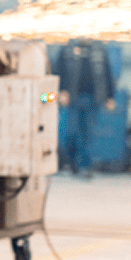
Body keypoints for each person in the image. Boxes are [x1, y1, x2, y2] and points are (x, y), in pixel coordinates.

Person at [55, 38, 116, 178]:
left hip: (93, 99)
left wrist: (110, 97)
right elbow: (59, 70)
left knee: (87, 134)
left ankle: (85, 166)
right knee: (72, 132)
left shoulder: (99, 50)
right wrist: (61, 90)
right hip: (73, 99)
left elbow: (107, 74)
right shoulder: (67, 49)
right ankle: (72, 162)